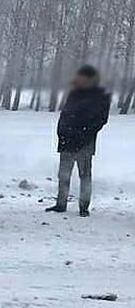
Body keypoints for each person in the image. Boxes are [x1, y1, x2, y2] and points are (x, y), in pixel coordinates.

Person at [46, 65, 111, 217]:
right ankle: (61, 203)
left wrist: (83, 135)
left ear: (90, 79)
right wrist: (61, 134)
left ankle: (84, 206)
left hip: (85, 143)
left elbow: (100, 120)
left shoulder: (100, 96)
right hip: (67, 141)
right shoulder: (74, 94)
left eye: (82, 77)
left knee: (85, 175)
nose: (78, 79)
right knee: (63, 175)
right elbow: (66, 114)